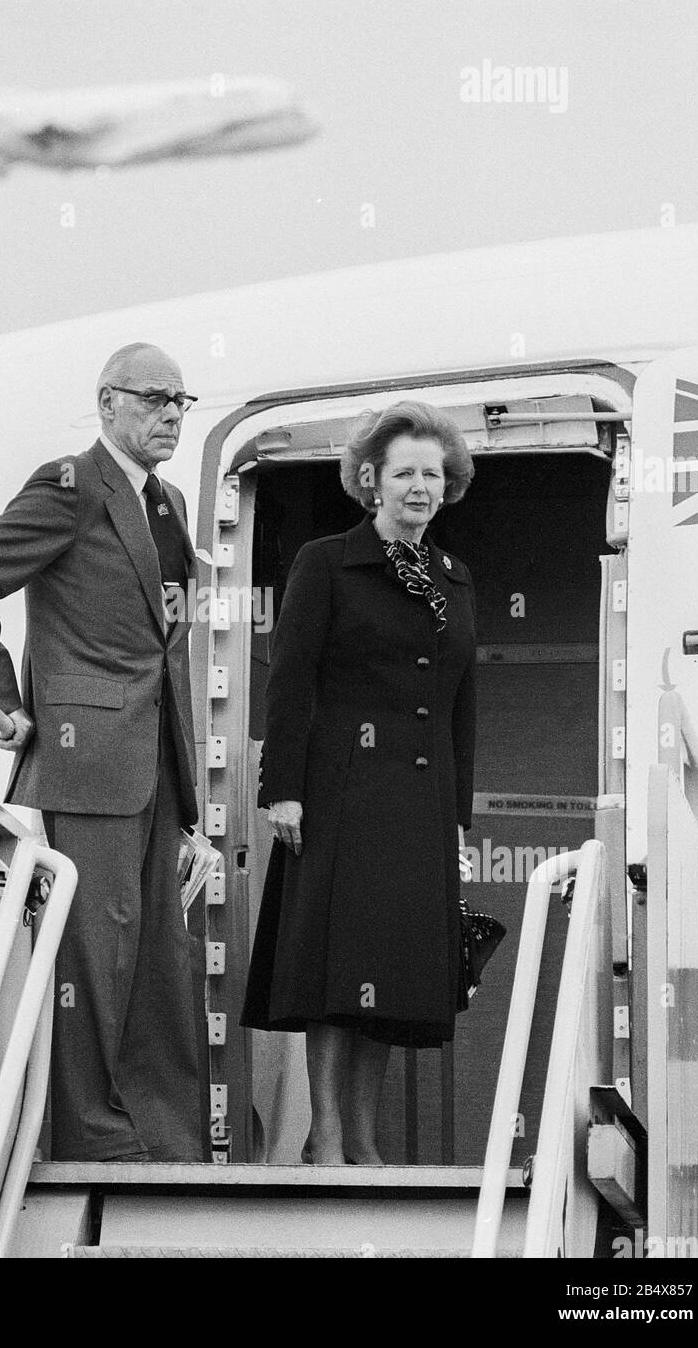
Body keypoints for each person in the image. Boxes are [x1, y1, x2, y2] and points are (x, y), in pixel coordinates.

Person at [0, 342, 204, 1162]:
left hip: (158, 760)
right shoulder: (69, 487)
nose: (170, 414)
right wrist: (5, 703)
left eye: (181, 402)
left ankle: (165, 1137)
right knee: (95, 948)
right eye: (155, 398)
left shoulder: (168, 506)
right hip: (85, 755)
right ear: (107, 402)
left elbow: (164, 647)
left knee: (161, 953)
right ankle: (94, 1134)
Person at [241, 400, 477, 1165]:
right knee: (334, 971)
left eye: (432, 474)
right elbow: (291, 680)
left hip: (419, 804)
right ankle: (327, 1137)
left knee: (392, 977)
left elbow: (459, 703)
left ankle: (365, 1139)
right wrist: (283, 787)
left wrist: (457, 818)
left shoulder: (454, 577)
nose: (420, 486)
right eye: (404, 472)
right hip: (339, 792)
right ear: (371, 481)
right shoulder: (325, 561)